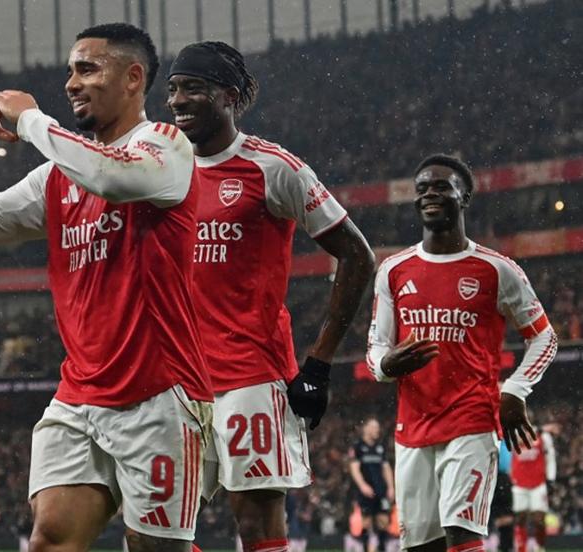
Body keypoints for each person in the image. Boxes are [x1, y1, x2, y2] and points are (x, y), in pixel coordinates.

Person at [0, 23, 213, 552]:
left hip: (158, 393)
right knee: (50, 539)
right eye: (70, 71)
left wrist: (30, 120)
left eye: (87, 69)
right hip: (81, 394)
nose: (71, 83)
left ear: (133, 78)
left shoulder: (167, 146)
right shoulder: (56, 177)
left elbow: (112, 177)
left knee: (154, 548)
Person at [166, 41, 375, 552]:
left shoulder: (272, 167)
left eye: (192, 87)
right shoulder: (161, 168)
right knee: (153, 528)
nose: (176, 100)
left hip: (250, 377)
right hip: (176, 379)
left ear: (229, 96)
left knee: (258, 526)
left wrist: (319, 364)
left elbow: (356, 255)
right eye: (172, 88)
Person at [366, 154, 558, 552]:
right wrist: (385, 365)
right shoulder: (393, 270)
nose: (429, 195)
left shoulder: (497, 269)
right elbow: (376, 347)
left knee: (462, 536)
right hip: (413, 426)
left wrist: (515, 390)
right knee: (421, 546)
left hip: (472, 420)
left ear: (464, 197)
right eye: (422, 189)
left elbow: (544, 338)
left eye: (441, 187)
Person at [349, 417, 395, 552]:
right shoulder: (358, 447)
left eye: (378, 427)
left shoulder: (380, 447)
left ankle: (382, 549)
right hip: (365, 491)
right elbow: (354, 468)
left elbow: (386, 468)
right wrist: (362, 485)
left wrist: (391, 487)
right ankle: (365, 549)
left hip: (380, 489)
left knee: (383, 521)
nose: (377, 430)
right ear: (366, 429)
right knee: (366, 522)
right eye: (374, 427)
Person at [511, 419, 557, 552]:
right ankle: (521, 548)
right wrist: (540, 429)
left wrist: (551, 479)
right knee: (520, 517)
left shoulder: (544, 437)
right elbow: (515, 438)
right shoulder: (514, 434)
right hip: (519, 483)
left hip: (538, 483)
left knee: (539, 519)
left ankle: (540, 547)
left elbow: (550, 457)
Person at [490, 438, 514, 552]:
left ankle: (503, 544)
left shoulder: (504, 437)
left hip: (501, 477)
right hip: (494, 475)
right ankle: (499, 542)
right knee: (495, 512)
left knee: (503, 513)